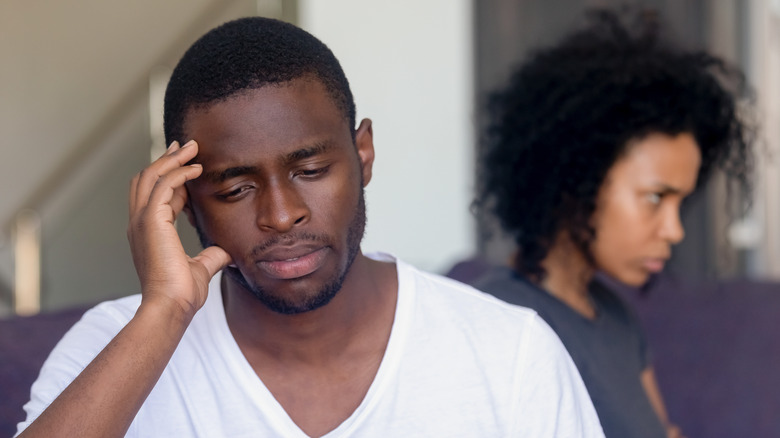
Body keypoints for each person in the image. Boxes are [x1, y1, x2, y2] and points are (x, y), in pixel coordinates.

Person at [16, 17, 604, 437]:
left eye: (312, 169)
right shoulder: (115, 346)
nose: (280, 214)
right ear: (184, 201)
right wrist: (164, 310)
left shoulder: (508, 352)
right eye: (234, 188)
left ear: (364, 154)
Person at [472, 9, 752, 438]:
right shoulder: (494, 322)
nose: (674, 231)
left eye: (681, 202)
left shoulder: (619, 321)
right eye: (655, 198)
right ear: (576, 182)